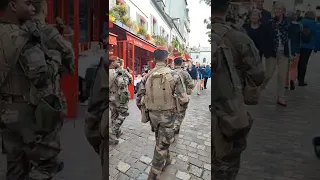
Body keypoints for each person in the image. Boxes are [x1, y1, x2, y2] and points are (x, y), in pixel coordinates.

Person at [0, 0, 63, 179]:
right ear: (12, 5)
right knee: (46, 164)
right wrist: (55, 60)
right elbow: (41, 77)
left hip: (5, 111)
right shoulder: (24, 38)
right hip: (27, 113)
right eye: (27, 3)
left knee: (15, 164)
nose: (32, 8)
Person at [212, 0, 265, 179]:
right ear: (227, 9)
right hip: (229, 115)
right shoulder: (238, 38)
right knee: (226, 166)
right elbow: (258, 74)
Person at [136, 46, 189, 179]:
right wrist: (179, 112)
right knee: (162, 143)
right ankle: (153, 174)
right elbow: (183, 99)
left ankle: (168, 158)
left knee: (160, 138)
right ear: (167, 59)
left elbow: (138, 98)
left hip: (153, 115)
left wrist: (147, 109)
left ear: (154, 58)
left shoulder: (147, 75)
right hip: (168, 115)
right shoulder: (174, 75)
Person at [260, 2, 291, 106]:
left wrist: (294, 51)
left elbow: (292, 37)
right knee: (268, 75)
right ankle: (259, 89)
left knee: (282, 76)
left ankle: (280, 97)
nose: (277, 11)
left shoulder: (288, 23)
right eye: (276, 9)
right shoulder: (269, 23)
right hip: (272, 53)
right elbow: (264, 39)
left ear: (283, 11)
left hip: (284, 53)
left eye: (279, 9)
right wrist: (265, 51)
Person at [109, 56, 131, 141]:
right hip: (118, 97)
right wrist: (126, 75)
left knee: (114, 114)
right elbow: (122, 84)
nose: (119, 63)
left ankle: (117, 131)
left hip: (111, 97)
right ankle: (113, 132)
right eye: (117, 61)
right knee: (123, 113)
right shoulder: (118, 72)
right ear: (112, 63)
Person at [172, 56, 194, 134]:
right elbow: (191, 84)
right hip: (181, 97)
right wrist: (187, 92)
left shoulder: (169, 72)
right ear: (181, 63)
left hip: (170, 97)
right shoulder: (185, 73)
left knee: (172, 113)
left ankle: (172, 126)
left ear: (174, 63)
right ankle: (176, 128)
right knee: (180, 113)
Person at [298, 11, 316, 86]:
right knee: (304, 63)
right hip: (309, 47)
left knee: (298, 62)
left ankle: (295, 77)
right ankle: (301, 81)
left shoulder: (300, 22)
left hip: (299, 45)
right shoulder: (315, 24)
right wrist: (316, 48)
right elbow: (317, 37)